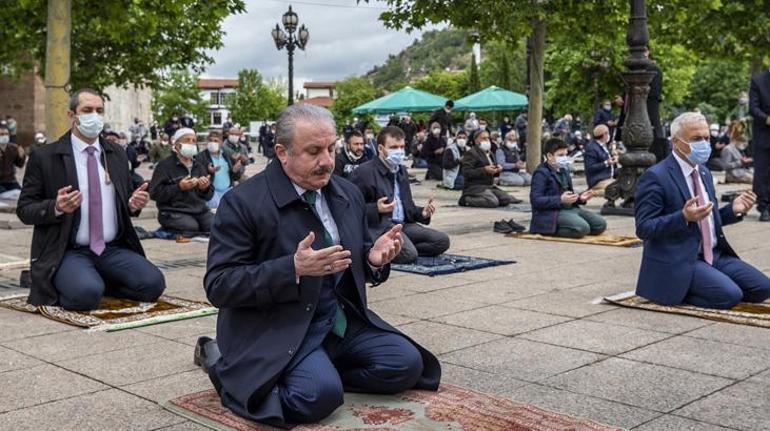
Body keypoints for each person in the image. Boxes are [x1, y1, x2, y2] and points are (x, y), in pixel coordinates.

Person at [194, 104, 440, 428]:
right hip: (281, 326)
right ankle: (223, 367)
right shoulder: (243, 203)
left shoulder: (346, 193)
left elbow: (353, 258)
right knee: (316, 397)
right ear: (282, 152)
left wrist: (372, 259)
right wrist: (292, 269)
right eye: (313, 151)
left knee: (405, 366)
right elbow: (219, 284)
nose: (327, 161)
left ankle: (320, 370)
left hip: (340, 322)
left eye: (331, 148)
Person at [16, 88, 165, 310]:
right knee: (86, 296)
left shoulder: (116, 153)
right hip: (68, 249)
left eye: (99, 110)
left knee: (153, 285)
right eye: (87, 110)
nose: (94, 115)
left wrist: (132, 205)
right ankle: (66, 282)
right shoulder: (45, 156)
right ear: (71, 115)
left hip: (111, 249)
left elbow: (122, 203)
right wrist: (55, 207)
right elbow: (25, 209)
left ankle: (98, 281)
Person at [634, 112, 770, 309]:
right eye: (696, 139)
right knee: (730, 295)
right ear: (676, 143)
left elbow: (708, 219)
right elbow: (644, 228)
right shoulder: (655, 176)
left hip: (715, 254)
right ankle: (674, 291)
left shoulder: (703, 171)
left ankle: (710, 281)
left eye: (707, 138)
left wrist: (733, 210)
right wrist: (682, 217)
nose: (704, 144)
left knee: (763, 288)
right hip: (681, 258)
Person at [351, 126, 450, 264]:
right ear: (381, 148)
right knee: (409, 255)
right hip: (381, 227)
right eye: (394, 147)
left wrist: (423, 213)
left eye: (402, 147)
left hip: (404, 225)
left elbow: (407, 207)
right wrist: (376, 209)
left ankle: (401, 248)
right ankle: (378, 249)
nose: (399, 151)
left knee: (442, 241)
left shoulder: (401, 170)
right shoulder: (364, 172)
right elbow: (350, 209)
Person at [529, 138, 606, 238]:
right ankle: (547, 229)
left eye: (566, 154)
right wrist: (560, 199)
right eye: (560, 155)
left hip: (570, 209)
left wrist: (580, 198)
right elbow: (536, 200)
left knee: (600, 224)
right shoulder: (541, 173)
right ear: (549, 156)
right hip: (552, 212)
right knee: (583, 228)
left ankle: (572, 225)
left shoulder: (563, 171)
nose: (564, 158)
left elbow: (569, 194)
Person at [149, 128, 214, 236]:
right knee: (190, 228)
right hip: (174, 211)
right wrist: (179, 187)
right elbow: (155, 193)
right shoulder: (164, 166)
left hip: (198, 210)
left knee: (215, 226)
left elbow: (208, 196)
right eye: (187, 140)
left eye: (194, 140)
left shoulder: (199, 166)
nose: (191, 143)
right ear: (178, 145)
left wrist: (205, 188)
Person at [459, 130, 520, 207]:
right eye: (483, 138)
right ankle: (466, 200)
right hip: (475, 187)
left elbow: (492, 169)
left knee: (506, 199)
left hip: (488, 186)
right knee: (492, 202)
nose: (487, 141)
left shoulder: (489, 153)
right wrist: (484, 169)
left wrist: (497, 169)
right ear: (476, 140)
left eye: (488, 138)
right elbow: (467, 172)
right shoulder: (471, 153)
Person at [195, 130, 240, 209]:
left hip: (228, 190)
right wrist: (209, 171)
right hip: (212, 193)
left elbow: (236, 177)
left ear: (221, 143)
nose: (213, 143)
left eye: (216, 141)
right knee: (215, 209)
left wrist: (235, 171)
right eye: (210, 140)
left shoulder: (226, 155)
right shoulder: (200, 157)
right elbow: (197, 175)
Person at [750, 68, 770, 221]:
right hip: (764, 133)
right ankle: (763, 206)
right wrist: (766, 118)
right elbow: (753, 108)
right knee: (762, 171)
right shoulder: (758, 81)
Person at [584, 124, 618, 198]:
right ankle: (592, 192)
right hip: (598, 180)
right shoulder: (592, 148)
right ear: (604, 134)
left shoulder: (602, 146)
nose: (609, 135)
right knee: (617, 188)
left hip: (608, 177)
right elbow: (590, 167)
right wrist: (606, 163)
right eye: (608, 133)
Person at [0, 124, 26, 200]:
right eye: (1, 134)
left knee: (22, 194)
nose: (4, 136)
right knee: (4, 196)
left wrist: (21, 156)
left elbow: (20, 165)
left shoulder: (13, 148)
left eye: (6, 134)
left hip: (10, 180)